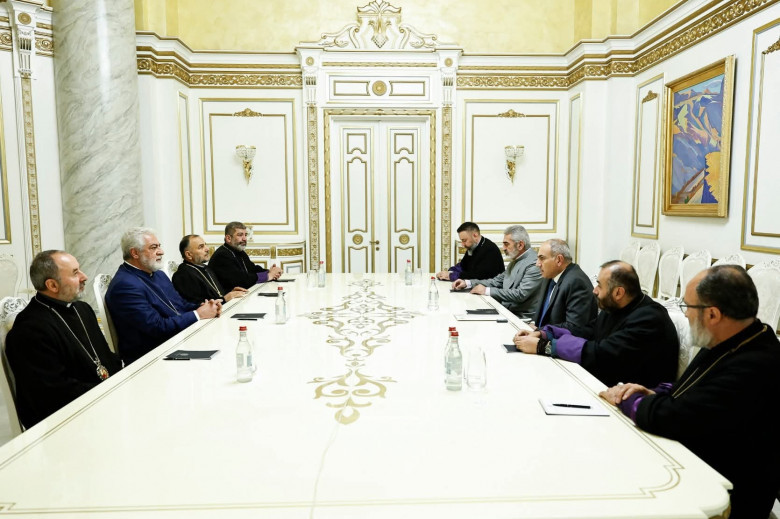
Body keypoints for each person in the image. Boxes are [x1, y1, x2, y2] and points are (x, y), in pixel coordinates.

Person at [599, 265, 780, 519]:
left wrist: (627, 398)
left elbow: (675, 418)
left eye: (688, 306)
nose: (685, 314)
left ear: (713, 314)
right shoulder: (737, 337)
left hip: (728, 496)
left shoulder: (756, 364)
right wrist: (653, 393)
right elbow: (697, 392)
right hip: (698, 460)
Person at [514, 260, 679, 387]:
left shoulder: (649, 319)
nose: (594, 290)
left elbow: (602, 354)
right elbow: (588, 331)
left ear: (618, 292)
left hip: (632, 399)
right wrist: (545, 334)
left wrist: (544, 347)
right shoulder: (617, 306)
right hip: (606, 381)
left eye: (599, 285)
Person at [5, 250, 122, 429]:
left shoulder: (82, 309)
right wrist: (111, 390)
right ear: (52, 285)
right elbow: (54, 394)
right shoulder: (30, 330)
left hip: (102, 400)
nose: (84, 276)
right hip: (65, 421)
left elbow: (106, 358)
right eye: (75, 273)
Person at [106, 228, 221, 365]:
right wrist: (198, 314)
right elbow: (157, 328)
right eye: (153, 247)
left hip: (176, 341)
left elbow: (180, 305)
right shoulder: (125, 285)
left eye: (159, 246)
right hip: (151, 359)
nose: (161, 251)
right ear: (135, 253)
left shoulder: (158, 274)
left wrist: (205, 306)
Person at [451, 225, 543, 319]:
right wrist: (467, 283)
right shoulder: (515, 260)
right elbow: (496, 281)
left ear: (520, 245)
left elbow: (520, 294)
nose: (503, 248)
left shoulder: (534, 263)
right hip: (507, 311)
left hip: (521, 318)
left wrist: (486, 290)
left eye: (506, 244)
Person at [524, 238, 597, 337]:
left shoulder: (576, 282)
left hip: (561, 343)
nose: (537, 264)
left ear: (559, 260)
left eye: (542, 258)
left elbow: (574, 327)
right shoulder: (549, 276)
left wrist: (540, 331)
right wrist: (532, 327)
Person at [172, 234, 248, 304]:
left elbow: (215, 294)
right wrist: (224, 299)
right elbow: (197, 305)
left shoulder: (206, 268)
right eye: (201, 247)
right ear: (189, 254)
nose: (207, 249)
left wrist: (230, 292)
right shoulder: (183, 275)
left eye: (205, 245)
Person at [209, 221, 282, 290]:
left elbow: (253, 269)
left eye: (245, 235)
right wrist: (268, 276)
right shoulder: (222, 256)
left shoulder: (239, 251)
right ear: (228, 238)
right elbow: (241, 281)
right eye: (240, 235)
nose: (244, 239)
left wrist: (270, 272)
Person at [436, 222, 505, 281]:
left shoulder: (490, 249)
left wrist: (451, 276)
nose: (462, 245)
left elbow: (480, 276)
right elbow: (463, 265)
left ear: (475, 235)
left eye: (464, 240)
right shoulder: (473, 247)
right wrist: (449, 272)